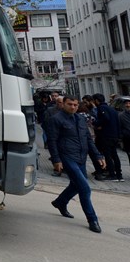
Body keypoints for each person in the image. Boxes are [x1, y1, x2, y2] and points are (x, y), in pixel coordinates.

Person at [47, 94, 106, 233]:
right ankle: (92, 219)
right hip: (67, 157)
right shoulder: (56, 119)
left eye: (75, 105)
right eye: (70, 104)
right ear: (63, 104)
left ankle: (60, 202)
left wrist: (98, 155)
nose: (73, 107)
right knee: (85, 188)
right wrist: (56, 160)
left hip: (81, 157)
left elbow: (88, 139)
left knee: (75, 185)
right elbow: (52, 141)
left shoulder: (80, 119)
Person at [91, 93, 122, 181]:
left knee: (108, 156)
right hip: (114, 135)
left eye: (94, 101)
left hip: (106, 135)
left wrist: (96, 123)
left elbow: (105, 118)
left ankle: (112, 174)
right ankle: (119, 175)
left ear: (96, 101)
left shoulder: (102, 108)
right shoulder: (112, 109)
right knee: (115, 155)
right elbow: (117, 122)